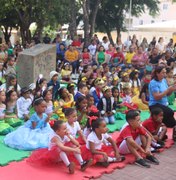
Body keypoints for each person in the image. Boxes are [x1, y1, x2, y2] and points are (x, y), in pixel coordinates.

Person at [28, 120, 92, 174]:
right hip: (54, 155)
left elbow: (77, 143)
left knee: (74, 146)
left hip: (63, 154)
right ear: (57, 131)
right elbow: (62, 147)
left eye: (66, 128)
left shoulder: (65, 134)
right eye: (64, 129)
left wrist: (69, 135)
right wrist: (74, 150)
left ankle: (82, 163)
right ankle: (69, 166)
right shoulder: (55, 137)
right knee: (59, 149)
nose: (67, 130)